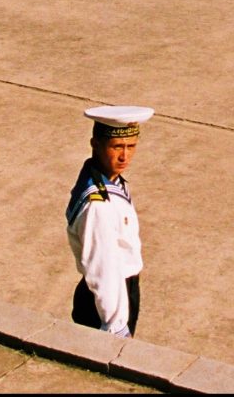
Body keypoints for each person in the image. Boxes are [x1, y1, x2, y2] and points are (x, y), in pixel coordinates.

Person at [67, 105, 152, 336]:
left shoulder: (112, 182)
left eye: (131, 146)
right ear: (95, 144)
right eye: (117, 147)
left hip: (121, 290)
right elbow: (101, 266)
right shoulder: (98, 203)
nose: (125, 155)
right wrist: (115, 325)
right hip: (106, 302)